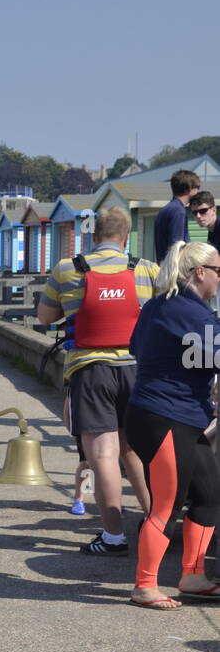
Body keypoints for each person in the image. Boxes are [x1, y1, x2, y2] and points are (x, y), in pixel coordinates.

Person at [38, 207, 154, 554]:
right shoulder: (146, 270)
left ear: (93, 235)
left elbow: (44, 317)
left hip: (89, 370)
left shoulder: (67, 269)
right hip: (138, 370)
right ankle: (154, 522)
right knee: (134, 450)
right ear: (126, 237)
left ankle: (114, 536)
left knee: (104, 455)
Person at [125, 240, 220, 608]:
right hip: (166, 417)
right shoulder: (189, 312)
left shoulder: (159, 305)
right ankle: (144, 585)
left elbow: (138, 348)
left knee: (209, 492)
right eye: (218, 272)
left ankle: (193, 576)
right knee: (166, 504)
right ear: (200, 273)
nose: (219, 279)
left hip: (171, 414)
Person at [154, 169, 201, 264]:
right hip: (174, 271)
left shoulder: (165, 210)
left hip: (163, 267)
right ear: (188, 189)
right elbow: (177, 247)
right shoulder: (178, 211)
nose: (198, 191)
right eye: (197, 187)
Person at [190, 190, 220, 255]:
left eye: (203, 211)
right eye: (194, 213)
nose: (198, 216)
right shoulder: (212, 231)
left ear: (214, 210)